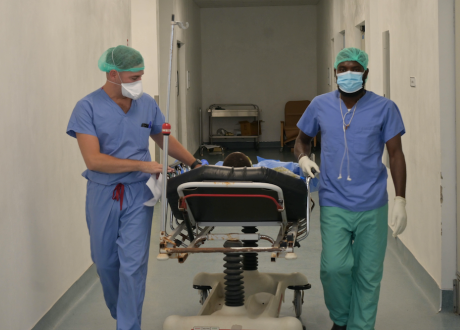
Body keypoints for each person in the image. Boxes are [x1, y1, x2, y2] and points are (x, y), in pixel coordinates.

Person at [66, 45, 202, 330]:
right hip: (104, 193)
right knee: (104, 264)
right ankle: (122, 313)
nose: (138, 83)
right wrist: (143, 165)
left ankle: (128, 325)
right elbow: (93, 160)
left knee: (132, 265)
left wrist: (195, 163)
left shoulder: (146, 105)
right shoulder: (87, 107)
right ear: (113, 74)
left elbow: (163, 138)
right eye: (132, 78)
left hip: (139, 194)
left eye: (140, 76)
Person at [294, 47, 407, 330]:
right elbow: (302, 139)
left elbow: (395, 154)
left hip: (372, 203)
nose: (348, 74)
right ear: (335, 73)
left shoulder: (385, 108)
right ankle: (341, 319)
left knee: (368, 273)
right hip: (334, 199)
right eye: (342, 69)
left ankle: (360, 326)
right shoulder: (320, 104)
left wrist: (401, 199)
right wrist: (303, 157)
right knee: (334, 268)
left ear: (365, 73)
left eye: (354, 69)